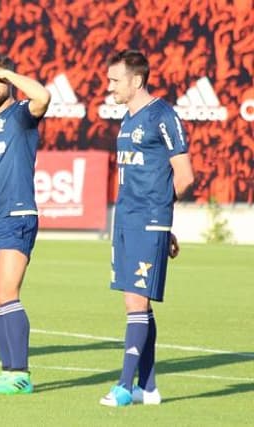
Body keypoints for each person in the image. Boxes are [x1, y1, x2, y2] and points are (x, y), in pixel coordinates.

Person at [100, 50, 194, 406]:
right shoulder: (128, 119)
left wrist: (160, 220)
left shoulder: (162, 115)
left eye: (115, 80)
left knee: (135, 303)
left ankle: (125, 386)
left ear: (136, 80)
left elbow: (184, 176)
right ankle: (148, 388)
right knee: (134, 301)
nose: (110, 87)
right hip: (126, 221)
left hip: (146, 221)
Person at [0, 53, 51, 395]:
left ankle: (20, 373)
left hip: (16, 216)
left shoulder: (21, 115)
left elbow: (43, 97)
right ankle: (6, 372)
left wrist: (7, 73)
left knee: (7, 292)